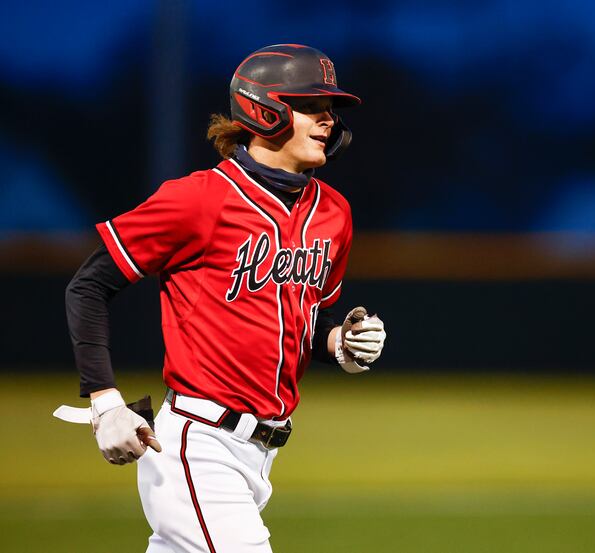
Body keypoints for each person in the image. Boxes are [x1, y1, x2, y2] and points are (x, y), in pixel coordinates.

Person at [57, 44, 387, 552]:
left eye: (330, 110)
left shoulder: (333, 213)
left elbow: (299, 324)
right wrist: (104, 401)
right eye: (310, 106)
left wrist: (337, 342)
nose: (326, 120)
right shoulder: (201, 199)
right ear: (264, 110)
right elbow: (89, 285)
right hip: (198, 443)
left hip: (262, 453)